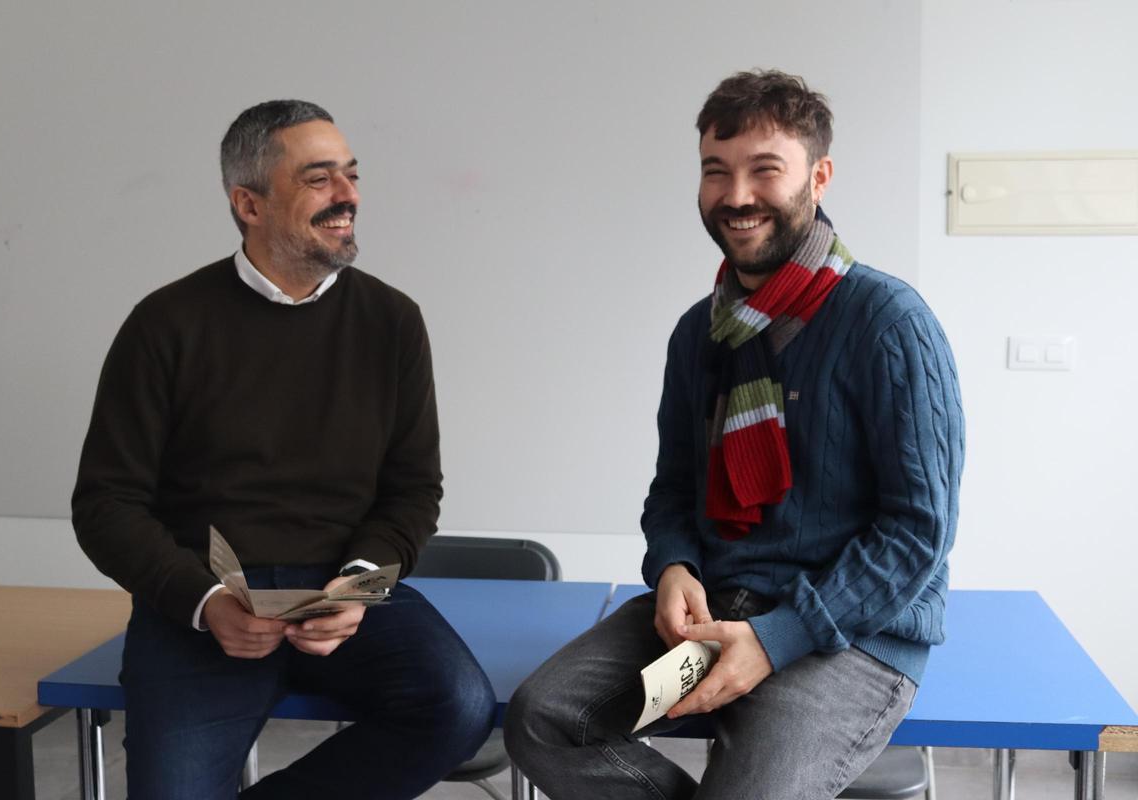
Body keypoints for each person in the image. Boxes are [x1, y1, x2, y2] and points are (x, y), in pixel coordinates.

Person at [504, 69, 964, 799]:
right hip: (718, 602)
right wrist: (677, 566)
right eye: (716, 172)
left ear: (820, 176)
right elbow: (674, 490)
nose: (737, 195)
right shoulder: (700, 332)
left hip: (849, 635)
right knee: (543, 719)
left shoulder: (890, 323)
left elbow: (916, 534)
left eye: (764, 170)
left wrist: (775, 641)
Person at [72, 99, 495, 800]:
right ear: (249, 203)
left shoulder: (391, 322)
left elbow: (413, 493)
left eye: (351, 176)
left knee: (459, 706)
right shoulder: (165, 325)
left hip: (343, 591)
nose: (349, 197)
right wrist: (204, 601)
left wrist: (360, 589)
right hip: (201, 606)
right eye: (320, 179)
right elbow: (106, 504)